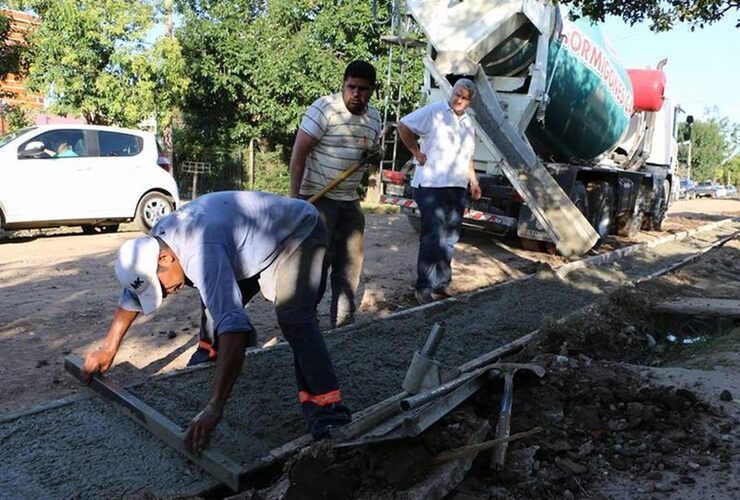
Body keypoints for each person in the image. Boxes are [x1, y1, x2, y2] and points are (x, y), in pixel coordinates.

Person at [81, 191, 351, 451]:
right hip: (243, 242)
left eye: (159, 286)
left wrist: (216, 405)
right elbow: (132, 294)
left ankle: (328, 411)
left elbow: (235, 328)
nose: (163, 294)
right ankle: (208, 359)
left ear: (166, 258)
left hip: (297, 233)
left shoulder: (200, 252)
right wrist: (109, 347)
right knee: (215, 298)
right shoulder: (154, 244)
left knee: (295, 318)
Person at [289, 60, 382, 329]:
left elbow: (370, 151)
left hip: (349, 200)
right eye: (351, 86)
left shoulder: (373, 117)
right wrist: (296, 201)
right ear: (343, 84)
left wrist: (376, 155)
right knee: (316, 263)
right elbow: (299, 154)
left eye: (363, 89)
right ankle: (305, 321)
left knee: (350, 262)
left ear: (372, 90)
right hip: (318, 200)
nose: (356, 93)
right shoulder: (325, 109)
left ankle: (342, 321)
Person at [397, 79, 482, 305]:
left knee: (450, 237)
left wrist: (473, 182)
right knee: (433, 236)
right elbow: (403, 125)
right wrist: (416, 152)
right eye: (457, 94)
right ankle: (423, 287)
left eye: (464, 98)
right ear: (451, 91)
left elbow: (468, 157)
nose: (459, 100)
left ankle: (441, 284)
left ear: (470, 101)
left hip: (457, 187)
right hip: (432, 185)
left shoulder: (468, 124)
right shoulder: (434, 112)